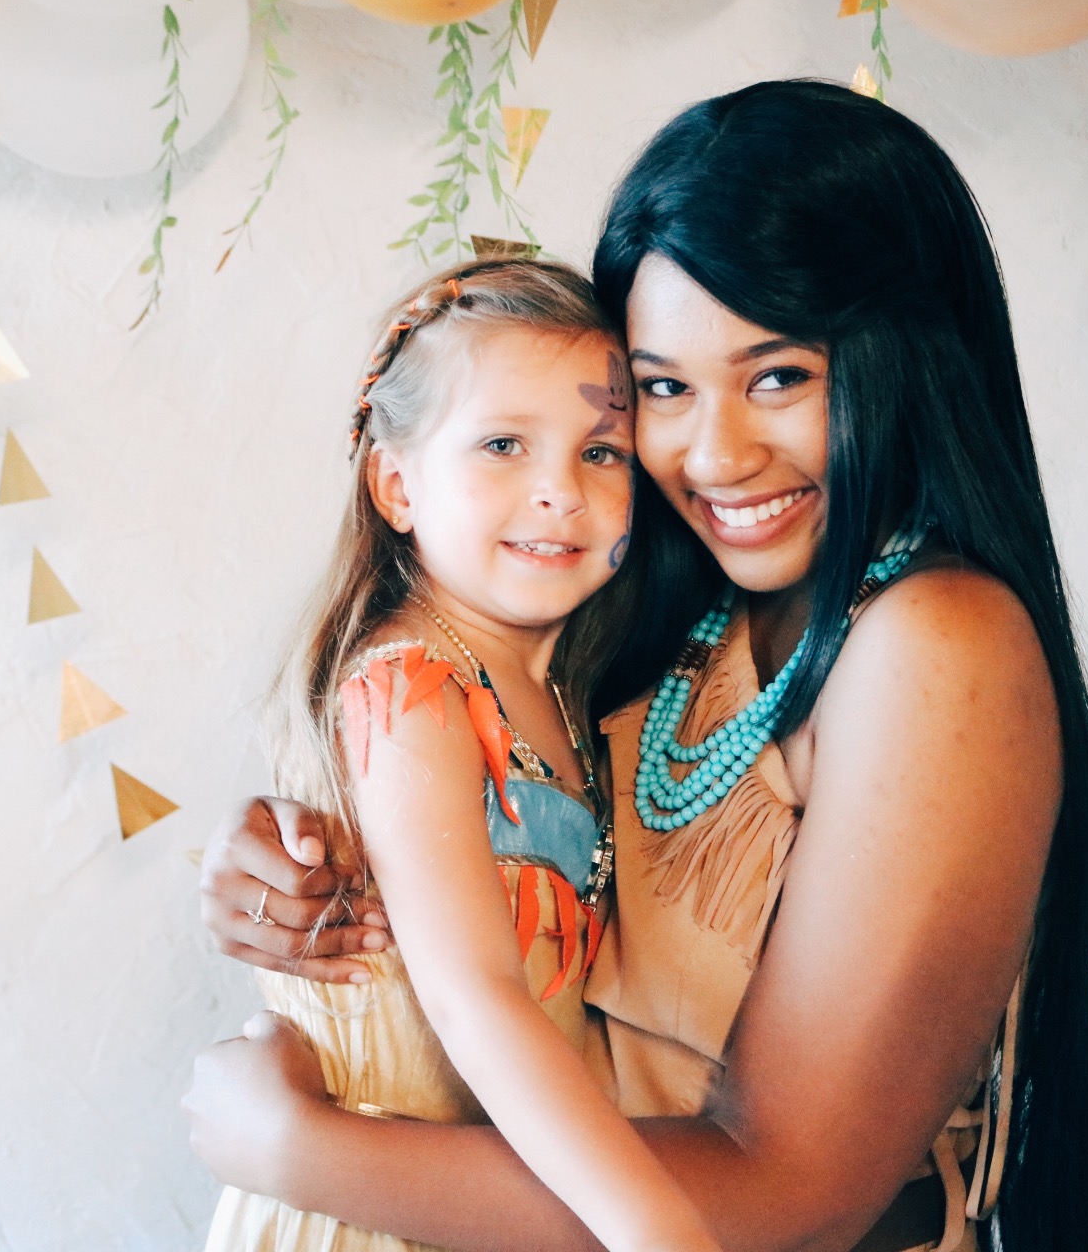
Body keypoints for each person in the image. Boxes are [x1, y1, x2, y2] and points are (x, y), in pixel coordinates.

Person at [186, 80, 1088, 1252]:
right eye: (662, 388)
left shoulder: (936, 640)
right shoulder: (657, 613)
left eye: (779, 376)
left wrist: (305, 1153)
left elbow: (795, 1189)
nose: (716, 453)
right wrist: (301, 859)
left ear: (906, 356)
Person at [200, 258, 720, 1252]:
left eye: (601, 452)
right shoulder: (410, 688)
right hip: (369, 1213)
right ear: (397, 485)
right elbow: (472, 993)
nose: (559, 491)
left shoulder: (570, 691)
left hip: (483, 1204)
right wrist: (654, 1225)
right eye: (503, 445)